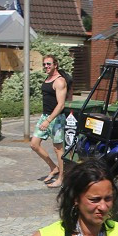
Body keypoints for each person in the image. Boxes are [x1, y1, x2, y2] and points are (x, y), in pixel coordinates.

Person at [31, 54, 69, 189]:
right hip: (45, 115)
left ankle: (61, 178)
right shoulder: (48, 78)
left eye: (49, 64)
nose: (46, 66)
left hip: (56, 118)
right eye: (45, 64)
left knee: (58, 149)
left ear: (55, 65)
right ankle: (54, 167)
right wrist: (45, 118)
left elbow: (61, 105)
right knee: (34, 144)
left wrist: (48, 120)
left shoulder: (59, 81)